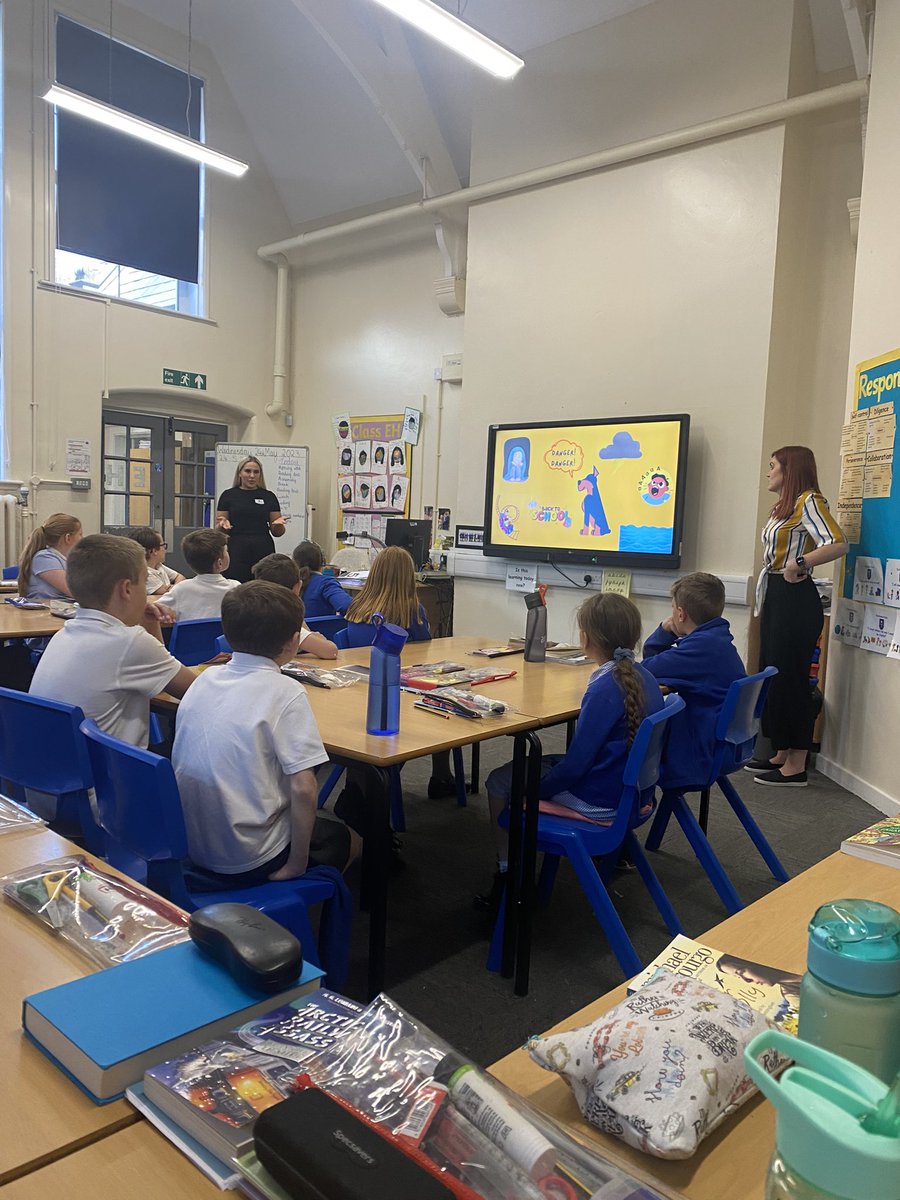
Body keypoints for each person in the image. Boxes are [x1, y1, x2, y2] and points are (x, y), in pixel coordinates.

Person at [476, 593, 663, 909]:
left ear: (586, 639)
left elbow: (575, 767)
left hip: (600, 802)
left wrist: (537, 792)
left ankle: (508, 875)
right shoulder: (645, 677)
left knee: (498, 781)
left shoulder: (605, 687)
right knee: (539, 765)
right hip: (634, 795)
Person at [172, 581, 361, 887]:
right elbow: (303, 788)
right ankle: (305, 907)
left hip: (191, 844)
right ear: (294, 641)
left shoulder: (203, 680)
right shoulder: (286, 691)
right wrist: (296, 864)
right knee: (353, 841)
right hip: (250, 857)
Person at [30, 535, 194, 746]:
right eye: (144, 582)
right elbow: (195, 690)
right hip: (110, 773)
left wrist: (149, 623)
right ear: (126, 589)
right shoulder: (130, 642)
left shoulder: (64, 634)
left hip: (59, 766)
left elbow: (160, 679)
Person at [748, 446, 847, 787]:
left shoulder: (810, 500)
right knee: (773, 672)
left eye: (773, 466)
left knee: (791, 677)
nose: (768, 472)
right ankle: (780, 749)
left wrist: (801, 562)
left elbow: (837, 543)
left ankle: (796, 763)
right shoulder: (784, 507)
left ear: (790, 470)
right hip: (776, 593)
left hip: (794, 596)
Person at [344, 545, 453, 797]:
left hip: (355, 689)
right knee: (441, 702)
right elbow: (423, 652)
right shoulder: (412, 611)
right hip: (395, 694)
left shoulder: (356, 606)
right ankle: (441, 776)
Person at [642, 572, 745, 788]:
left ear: (680, 614)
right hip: (728, 743)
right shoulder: (717, 640)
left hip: (701, 752)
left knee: (625, 744)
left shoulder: (699, 650)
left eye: (672, 608)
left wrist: (663, 631)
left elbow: (646, 671)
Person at [251, 554, 339, 659]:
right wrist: (316, 638)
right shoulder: (282, 619)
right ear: (298, 587)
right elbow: (330, 651)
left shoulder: (252, 611)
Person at [215, 456, 285, 582]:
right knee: (236, 585)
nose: (252, 475)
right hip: (236, 548)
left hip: (263, 547)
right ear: (240, 473)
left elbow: (277, 532)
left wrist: (278, 525)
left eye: (256, 472)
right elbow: (220, 531)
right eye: (248, 471)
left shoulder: (269, 496)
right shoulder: (228, 495)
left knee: (264, 585)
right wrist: (222, 525)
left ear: (260, 475)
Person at [160, 529, 239, 619]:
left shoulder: (181, 589)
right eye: (226, 551)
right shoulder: (235, 589)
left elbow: (153, 610)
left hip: (188, 633)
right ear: (219, 563)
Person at [18, 513, 82, 601]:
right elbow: (76, 592)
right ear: (68, 538)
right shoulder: (44, 558)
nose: (82, 538)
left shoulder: (63, 559)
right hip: (44, 612)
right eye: (80, 534)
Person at [292, 540, 351, 618]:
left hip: (296, 629)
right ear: (323, 563)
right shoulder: (326, 584)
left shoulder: (290, 582)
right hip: (325, 630)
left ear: (294, 563)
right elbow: (347, 606)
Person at [128, 527, 185, 595]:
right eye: (163, 545)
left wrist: (172, 587)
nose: (164, 549)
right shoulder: (145, 573)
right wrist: (175, 587)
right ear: (154, 551)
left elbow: (180, 577)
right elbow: (166, 593)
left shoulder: (158, 565)